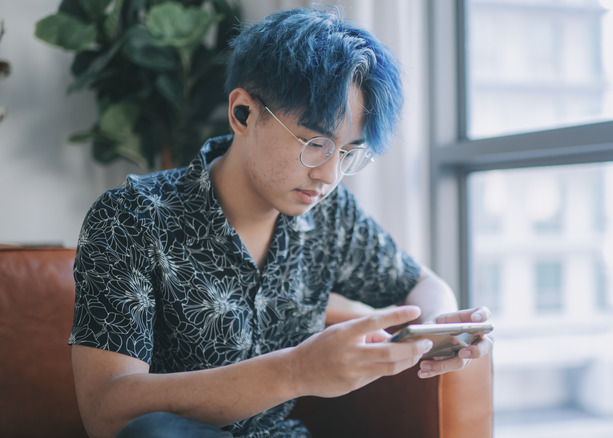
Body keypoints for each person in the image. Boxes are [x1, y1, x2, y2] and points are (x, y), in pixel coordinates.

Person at [69, 7, 493, 438]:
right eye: (314, 143)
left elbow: (422, 285)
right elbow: (108, 411)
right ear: (243, 114)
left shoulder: (331, 214)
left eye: (348, 153)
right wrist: (296, 371)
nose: (329, 175)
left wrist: (436, 331)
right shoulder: (131, 216)